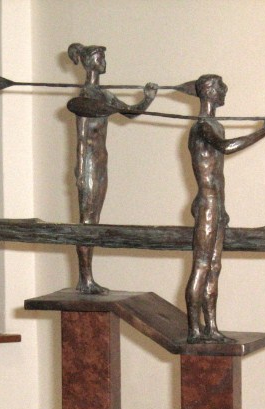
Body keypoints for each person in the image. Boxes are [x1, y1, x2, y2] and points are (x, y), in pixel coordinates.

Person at [186, 74, 265, 343]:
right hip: (206, 203)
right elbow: (226, 148)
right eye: (220, 87)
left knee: (214, 267)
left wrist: (223, 206)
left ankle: (211, 327)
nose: (224, 91)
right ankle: (193, 329)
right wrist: (263, 130)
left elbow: (218, 172)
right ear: (208, 91)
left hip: (217, 204)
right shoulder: (202, 127)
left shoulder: (214, 125)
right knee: (201, 266)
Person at [68, 43, 158, 294]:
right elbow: (82, 133)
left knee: (93, 220)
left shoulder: (104, 95)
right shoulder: (85, 97)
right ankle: (85, 278)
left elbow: (130, 112)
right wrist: (80, 169)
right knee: (87, 221)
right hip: (88, 163)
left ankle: (87, 277)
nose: (104, 61)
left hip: (100, 161)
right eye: (100, 57)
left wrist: (148, 98)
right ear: (90, 62)